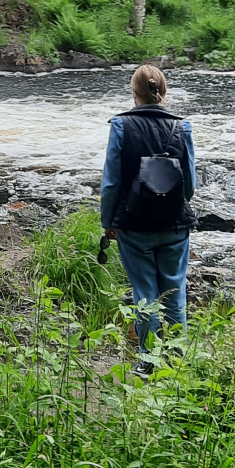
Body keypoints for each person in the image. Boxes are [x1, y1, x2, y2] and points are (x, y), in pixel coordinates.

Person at [100, 64, 196, 378]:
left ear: (134, 92)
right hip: (175, 224)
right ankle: (178, 360)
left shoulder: (121, 126)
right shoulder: (182, 127)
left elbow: (112, 183)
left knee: (144, 293)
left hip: (134, 226)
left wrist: (107, 221)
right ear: (163, 91)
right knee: (175, 291)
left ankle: (149, 362)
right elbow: (190, 185)